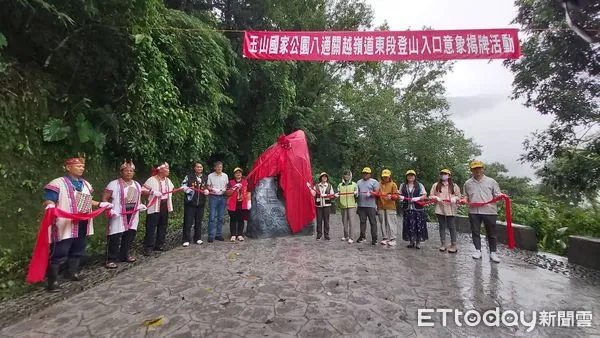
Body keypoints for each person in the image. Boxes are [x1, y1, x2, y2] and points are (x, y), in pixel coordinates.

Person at [43, 157, 113, 292]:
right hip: (64, 221)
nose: (81, 168)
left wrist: (99, 204)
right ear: (68, 167)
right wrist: (50, 206)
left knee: (78, 247)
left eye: (82, 166)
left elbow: (88, 200)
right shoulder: (58, 183)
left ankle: (72, 272)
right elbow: (49, 199)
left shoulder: (85, 184)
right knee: (60, 249)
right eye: (78, 166)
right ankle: (53, 281)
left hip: (82, 220)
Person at [103, 160, 147, 269]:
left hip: (132, 213)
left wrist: (140, 205)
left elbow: (138, 197)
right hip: (118, 213)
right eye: (126, 170)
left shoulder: (136, 184)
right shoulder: (114, 184)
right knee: (115, 235)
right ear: (122, 172)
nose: (129, 172)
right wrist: (108, 208)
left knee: (130, 234)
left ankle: (124, 254)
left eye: (131, 171)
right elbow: (105, 197)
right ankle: (111, 258)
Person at [463, 160, 505, 263]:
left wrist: (502, 196)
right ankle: (478, 250)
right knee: (475, 231)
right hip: (474, 211)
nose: (477, 170)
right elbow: (465, 196)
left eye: (479, 168)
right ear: (471, 170)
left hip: (489, 211)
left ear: (483, 169)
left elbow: (497, 194)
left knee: (491, 233)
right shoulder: (467, 183)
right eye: (474, 169)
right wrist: (464, 199)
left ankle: (493, 252)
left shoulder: (491, 181)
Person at [142, 162, 175, 256]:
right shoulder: (151, 180)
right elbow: (142, 190)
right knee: (151, 226)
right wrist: (152, 192)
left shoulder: (168, 180)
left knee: (163, 225)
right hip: (154, 206)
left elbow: (172, 189)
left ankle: (160, 244)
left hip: (165, 205)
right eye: (167, 168)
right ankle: (148, 247)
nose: (168, 170)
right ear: (160, 170)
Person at [429, 169, 461, 253]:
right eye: (442, 174)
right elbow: (431, 196)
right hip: (440, 208)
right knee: (442, 226)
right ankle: (443, 244)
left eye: (446, 174)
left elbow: (459, 196)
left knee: (452, 226)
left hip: (451, 208)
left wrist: (455, 198)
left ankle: (453, 244)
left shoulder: (454, 186)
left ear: (449, 175)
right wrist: (436, 197)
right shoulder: (436, 185)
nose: (444, 175)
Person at [181, 162, 209, 247]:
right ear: (194, 168)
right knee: (188, 222)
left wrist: (207, 190)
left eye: (201, 167)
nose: (199, 168)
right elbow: (183, 186)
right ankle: (186, 239)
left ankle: (197, 238)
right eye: (198, 167)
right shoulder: (189, 176)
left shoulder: (205, 177)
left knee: (198, 221)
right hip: (190, 203)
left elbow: (208, 186)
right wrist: (188, 189)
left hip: (201, 203)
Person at [400, 170, 428, 249]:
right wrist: (400, 198)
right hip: (407, 209)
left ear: (415, 177)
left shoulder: (419, 185)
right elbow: (398, 195)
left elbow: (425, 196)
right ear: (406, 177)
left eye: (412, 175)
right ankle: (411, 241)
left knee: (418, 226)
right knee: (409, 225)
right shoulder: (403, 185)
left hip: (418, 209)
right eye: (409, 175)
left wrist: (418, 198)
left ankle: (418, 242)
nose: (410, 177)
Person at [226, 167, 252, 242]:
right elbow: (227, 193)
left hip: (242, 203)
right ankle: (233, 235)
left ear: (241, 174)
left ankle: (240, 234)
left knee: (241, 219)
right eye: (236, 173)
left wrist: (249, 201)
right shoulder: (230, 182)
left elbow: (248, 192)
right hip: (233, 204)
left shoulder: (245, 181)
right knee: (233, 219)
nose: (238, 174)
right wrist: (234, 188)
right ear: (234, 174)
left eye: (239, 172)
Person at [356, 167, 379, 245]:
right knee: (362, 222)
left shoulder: (374, 182)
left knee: (373, 222)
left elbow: (377, 193)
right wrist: (356, 194)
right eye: (364, 173)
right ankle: (362, 236)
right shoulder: (358, 182)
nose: (365, 174)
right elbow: (357, 192)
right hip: (361, 205)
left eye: (366, 173)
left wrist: (372, 193)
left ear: (370, 174)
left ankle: (374, 238)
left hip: (371, 206)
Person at [207, 161, 228, 242]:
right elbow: (208, 186)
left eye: (221, 167)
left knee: (220, 217)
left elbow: (227, 185)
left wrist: (225, 189)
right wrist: (212, 189)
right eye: (218, 167)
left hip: (222, 197)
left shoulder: (225, 175)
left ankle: (218, 234)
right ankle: (211, 235)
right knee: (212, 217)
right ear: (214, 167)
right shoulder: (210, 176)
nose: (219, 168)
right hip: (213, 197)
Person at [377, 169, 400, 246]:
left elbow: (397, 196)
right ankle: (385, 238)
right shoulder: (379, 184)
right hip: (381, 206)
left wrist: (392, 197)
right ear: (382, 177)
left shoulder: (393, 184)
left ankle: (393, 239)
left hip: (390, 206)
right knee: (383, 222)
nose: (385, 178)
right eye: (384, 177)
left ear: (390, 176)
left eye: (387, 176)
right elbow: (376, 194)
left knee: (391, 223)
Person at [311, 172, 336, 240]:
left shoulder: (329, 186)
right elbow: (313, 195)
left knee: (326, 220)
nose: (324, 177)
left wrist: (326, 195)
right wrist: (311, 189)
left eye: (325, 176)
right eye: (323, 176)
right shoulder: (316, 186)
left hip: (327, 205)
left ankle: (326, 235)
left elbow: (332, 195)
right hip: (319, 206)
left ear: (327, 178)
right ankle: (319, 235)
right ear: (321, 178)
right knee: (319, 221)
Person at [337, 170, 358, 243]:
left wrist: (356, 193)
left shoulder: (354, 184)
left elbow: (357, 194)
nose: (346, 176)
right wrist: (337, 195)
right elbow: (338, 193)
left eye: (348, 175)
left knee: (352, 222)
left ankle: (351, 237)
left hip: (352, 205)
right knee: (344, 222)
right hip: (343, 205)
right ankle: (346, 236)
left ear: (350, 176)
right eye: (345, 175)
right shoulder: (340, 185)